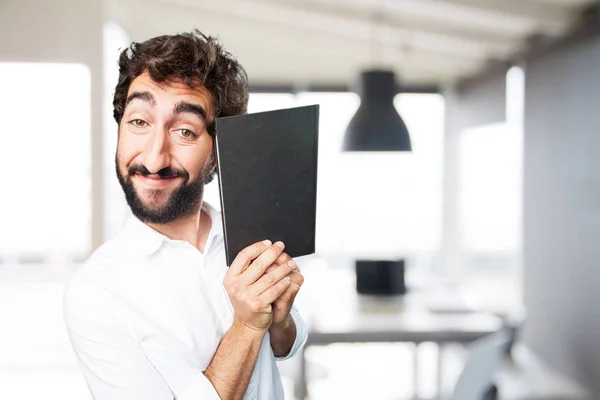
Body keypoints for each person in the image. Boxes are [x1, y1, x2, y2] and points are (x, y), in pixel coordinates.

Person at [63, 30, 307, 400]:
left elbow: (287, 343)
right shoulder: (96, 293)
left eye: (184, 131)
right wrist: (246, 325)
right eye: (139, 122)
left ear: (217, 152)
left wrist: (280, 320)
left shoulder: (248, 232)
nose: (154, 158)